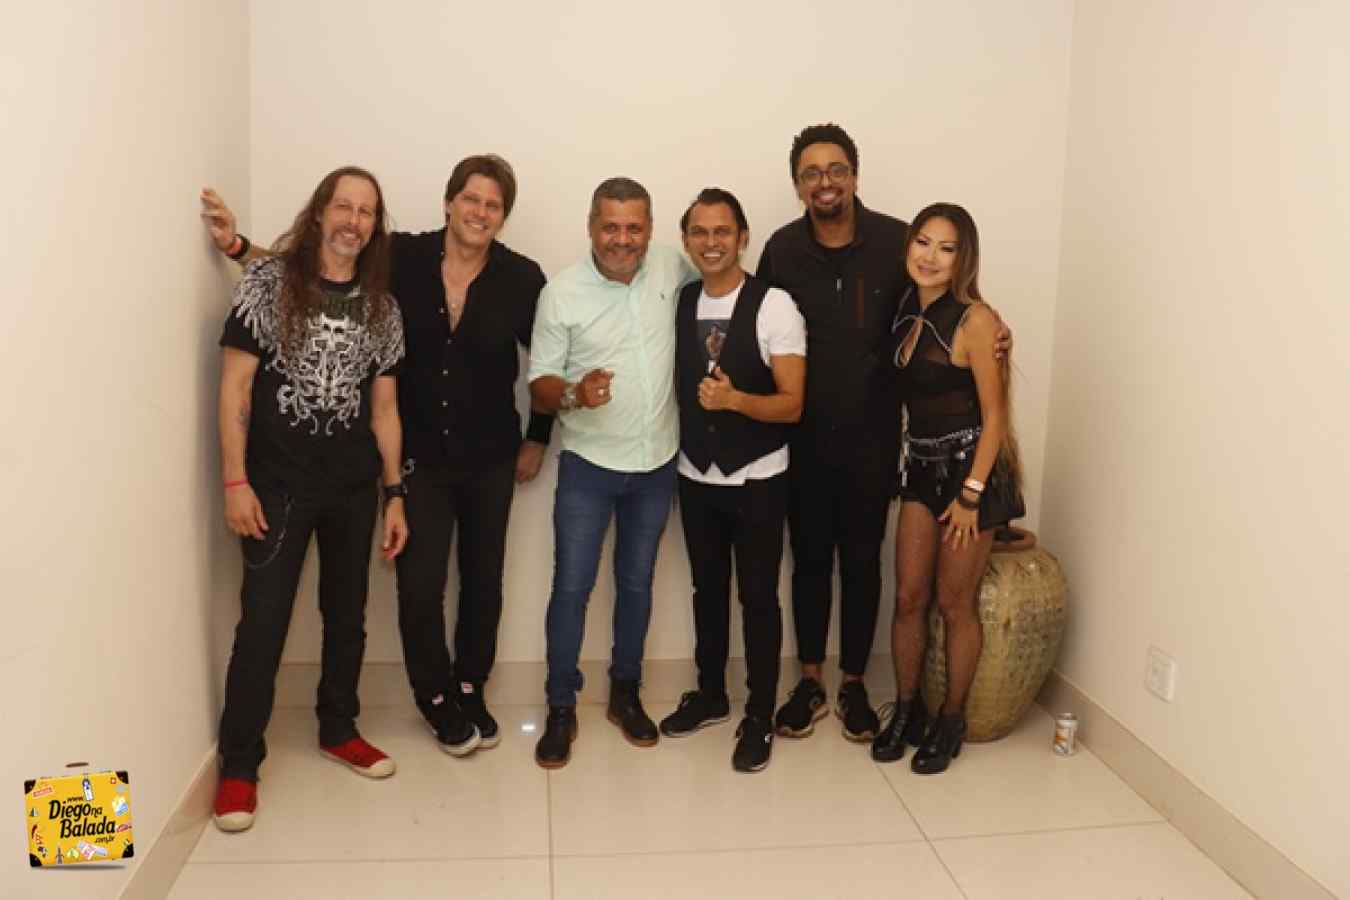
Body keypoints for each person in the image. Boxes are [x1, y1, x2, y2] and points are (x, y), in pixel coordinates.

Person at [201, 155, 552, 756]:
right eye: (470, 199)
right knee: (408, 589)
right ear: (449, 202)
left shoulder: (520, 279)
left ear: (503, 216)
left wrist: (539, 434)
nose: (480, 212)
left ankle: (462, 691)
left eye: (493, 205)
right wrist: (237, 246)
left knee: (475, 583)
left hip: (478, 457)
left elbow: (549, 355)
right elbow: (308, 265)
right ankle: (431, 697)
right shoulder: (404, 258)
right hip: (406, 461)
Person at [757, 124, 1011, 744]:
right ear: (797, 184)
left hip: (876, 441)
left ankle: (852, 685)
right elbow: (758, 326)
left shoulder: (897, 242)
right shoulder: (781, 250)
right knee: (808, 562)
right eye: (812, 172)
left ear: (854, 175)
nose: (825, 181)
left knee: (863, 564)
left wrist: (996, 332)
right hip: (802, 438)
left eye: (836, 169)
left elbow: (945, 304)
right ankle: (810, 682)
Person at [212, 166, 408, 832]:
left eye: (367, 211)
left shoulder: (382, 307)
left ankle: (339, 728)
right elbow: (236, 388)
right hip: (276, 486)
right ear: (320, 211)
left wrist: (395, 495)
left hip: (353, 488)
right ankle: (239, 766)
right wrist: (235, 481)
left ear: (375, 226)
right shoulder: (270, 284)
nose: (354, 220)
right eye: (343, 206)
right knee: (262, 624)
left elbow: (385, 410)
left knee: (347, 617)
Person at [527, 177, 697, 769]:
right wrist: (575, 392)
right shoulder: (561, 293)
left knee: (637, 585)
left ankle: (626, 693)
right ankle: (560, 705)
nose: (622, 240)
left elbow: (725, 285)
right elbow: (540, 384)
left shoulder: (673, 268)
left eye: (634, 228)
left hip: (657, 464)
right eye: (610, 227)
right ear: (591, 227)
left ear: (650, 229)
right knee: (572, 589)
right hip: (589, 468)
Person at [871, 202, 1025, 774]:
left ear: (964, 259)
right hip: (920, 467)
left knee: (955, 603)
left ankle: (951, 719)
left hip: (970, 473)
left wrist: (971, 495)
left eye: (947, 248)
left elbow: (996, 417)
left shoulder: (976, 319)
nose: (931, 257)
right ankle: (907, 710)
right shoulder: (906, 307)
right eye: (923, 242)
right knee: (908, 599)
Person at [658, 188, 806, 773]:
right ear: (686, 240)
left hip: (758, 476)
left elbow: (793, 404)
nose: (711, 242)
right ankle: (712, 694)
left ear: (742, 238)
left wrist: (736, 400)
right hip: (695, 473)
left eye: (723, 231)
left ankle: (760, 714)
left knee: (759, 597)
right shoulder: (682, 300)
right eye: (699, 232)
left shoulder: (775, 306)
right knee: (707, 589)